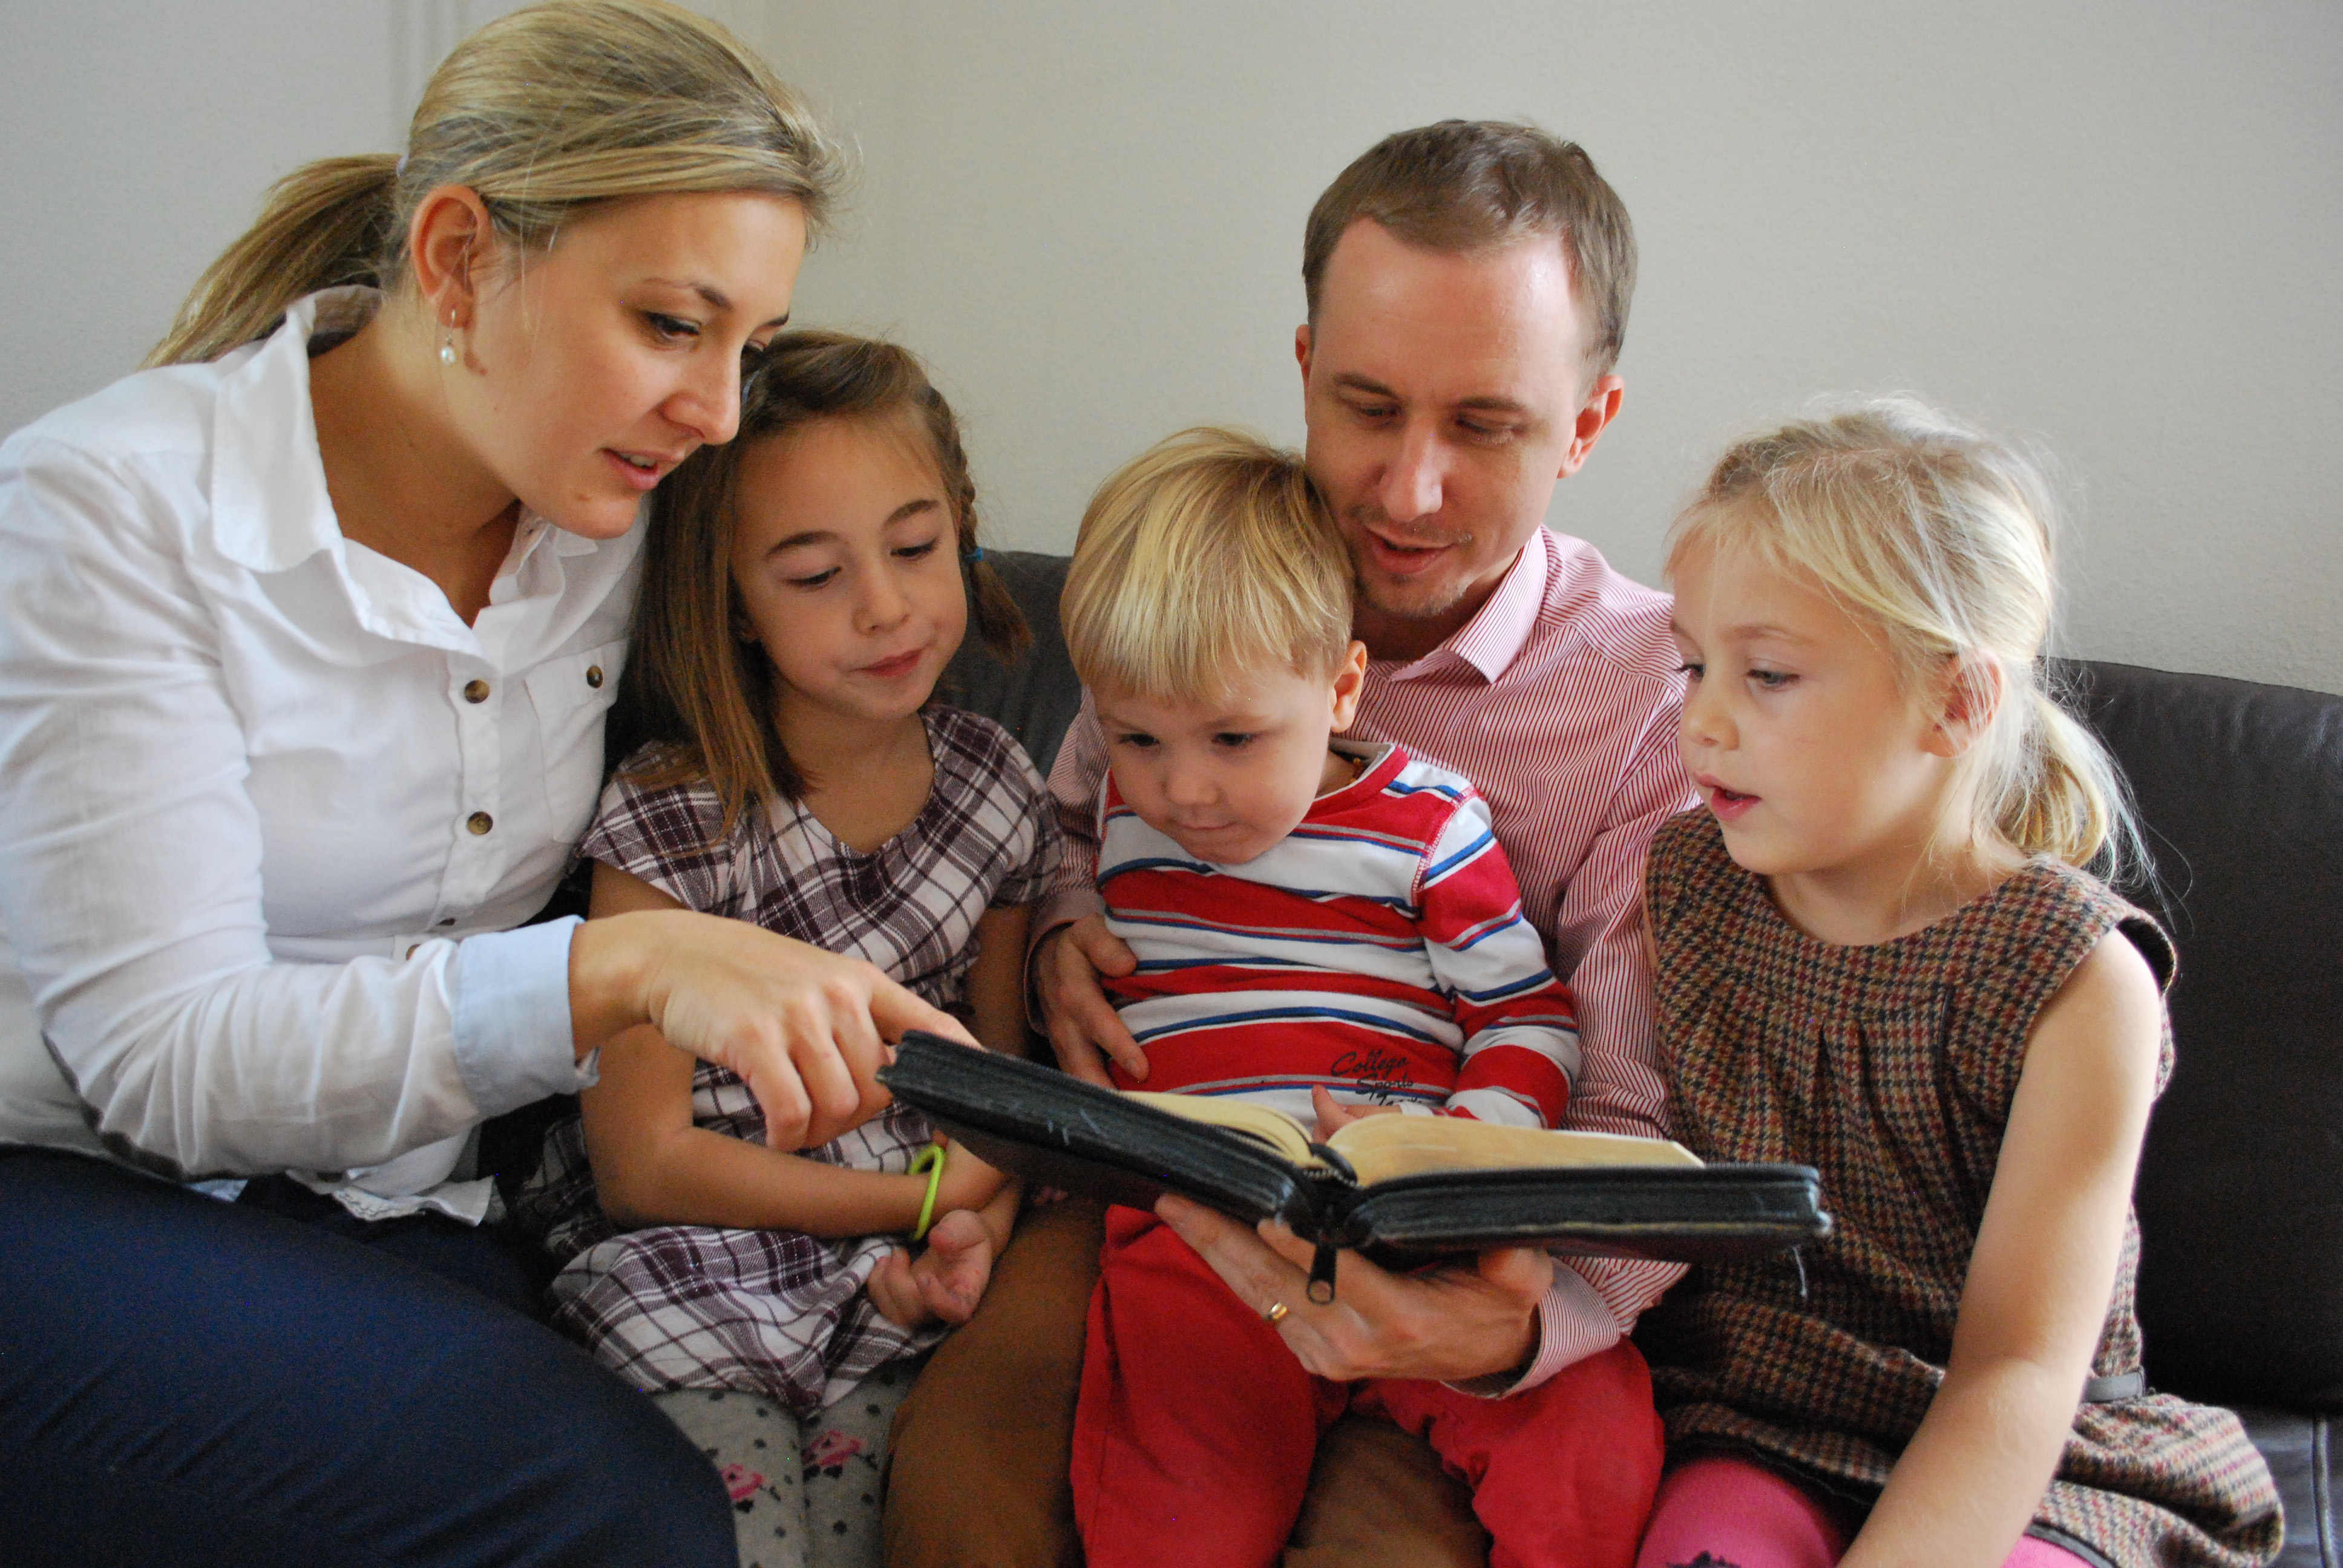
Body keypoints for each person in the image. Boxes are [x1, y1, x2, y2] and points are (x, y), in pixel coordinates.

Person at [0, 5, 968, 1564]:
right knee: (612, 1514)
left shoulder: (617, 513)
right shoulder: (107, 509)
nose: (719, 412)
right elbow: (164, 1070)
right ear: (456, 259)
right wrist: (626, 968)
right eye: (671, 326)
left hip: (402, 1211)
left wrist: (1078, 889)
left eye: (752, 347)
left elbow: (863, 677)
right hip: (69, 1187)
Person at [886, 121, 1697, 1568]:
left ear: (1587, 425)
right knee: (968, 1499)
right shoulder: (1198, 579)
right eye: (1365, 407)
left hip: (1466, 1237)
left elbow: (1636, 1087)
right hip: (1169, 1187)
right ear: (1306, 360)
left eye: (1488, 426)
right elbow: (1077, 806)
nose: (1408, 492)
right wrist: (1072, 916)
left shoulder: (1653, 700)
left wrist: (1525, 1313)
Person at [1631, 400, 2282, 1568]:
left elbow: (2021, 1373)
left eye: (1769, 674)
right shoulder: (1689, 882)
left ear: (1957, 701)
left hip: (2037, 1454)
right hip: (1768, 1420)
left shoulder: (2074, 977)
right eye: (1694, 664)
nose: (1704, 720)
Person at [1056, 426, 1662, 1568]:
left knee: (1590, 1446)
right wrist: (1051, 918)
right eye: (1136, 736)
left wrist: (1467, 1148)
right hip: (1200, 1243)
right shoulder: (1115, 811)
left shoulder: (1429, 824)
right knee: (1168, 1519)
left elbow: (1528, 1016)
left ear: (1342, 687)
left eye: (1236, 738)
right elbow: (1026, 844)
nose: (1184, 789)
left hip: (1419, 1225)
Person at [514, 330, 1058, 1567]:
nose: (884, 606)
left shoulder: (997, 788)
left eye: (915, 548)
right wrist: (916, 1198)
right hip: (696, 1265)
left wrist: (973, 1219)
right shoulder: (670, 817)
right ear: (734, 604)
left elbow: (996, 1084)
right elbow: (642, 1162)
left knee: (879, 1533)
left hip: (902, 1288)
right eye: (813, 574)